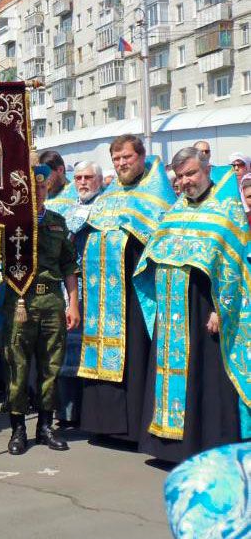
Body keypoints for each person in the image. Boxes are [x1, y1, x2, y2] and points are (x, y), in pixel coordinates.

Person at [133, 148, 251, 463]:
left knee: (205, 377)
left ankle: (206, 445)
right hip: (172, 311)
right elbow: (153, 254)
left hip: (203, 309)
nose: (186, 181)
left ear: (207, 170)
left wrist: (220, 308)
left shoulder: (227, 211)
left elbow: (236, 268)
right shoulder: (175, 211)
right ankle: (169, 448)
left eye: (191, 174)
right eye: (181, 176)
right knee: (169, 375)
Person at [77, 135, 176, 443]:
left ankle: (133, 428)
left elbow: (163, 241)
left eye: (127, 158)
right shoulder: (107, 196)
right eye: (116, 159)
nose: (121, 164)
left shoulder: (157, 197)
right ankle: (104, 425)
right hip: (100, 297)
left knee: (135, 353)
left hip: (135, 294)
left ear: (142, 157)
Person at [3, 165, 80, 455]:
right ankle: (18, 428)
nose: (38, 193)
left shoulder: (58, 223)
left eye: (43, 188)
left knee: (51, 367)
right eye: (32, 190)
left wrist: (73, 303)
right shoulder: (9, 224)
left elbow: (69, 266)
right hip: (20, 303)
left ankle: (46, 426)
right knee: (18, 367)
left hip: (51, 303)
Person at [45, 160, 104, 427]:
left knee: (92, 350)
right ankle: (66, 412)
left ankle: (91, 412)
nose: (82, 182)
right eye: (78, 177)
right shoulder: (63, 210)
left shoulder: (108, 207)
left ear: (99, 180)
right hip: (69, 289)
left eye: (88, 177)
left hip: (99, 291)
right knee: (64, 350)